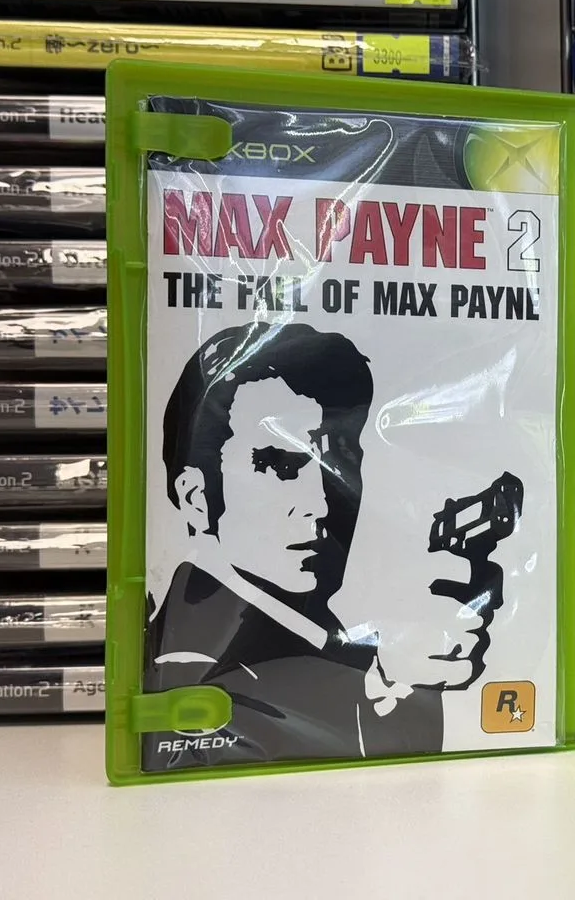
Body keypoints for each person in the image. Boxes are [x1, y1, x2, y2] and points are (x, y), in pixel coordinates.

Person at [143, 321, 487, 771]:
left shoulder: (321, 633)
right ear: (196, 498)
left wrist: (397, 680)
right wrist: (381, 679)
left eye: (341, 458)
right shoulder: (186, 663)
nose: (321, 502)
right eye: (281, 463)